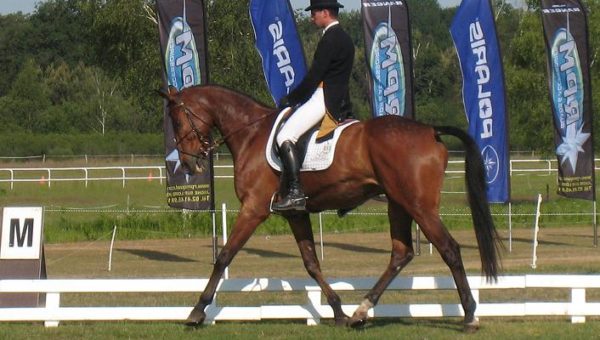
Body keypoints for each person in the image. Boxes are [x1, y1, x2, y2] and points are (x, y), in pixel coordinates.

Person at [272, 0, 355, 212]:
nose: (311, 17)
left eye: (314, 13)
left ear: (325, 12)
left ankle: (295, 192)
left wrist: (291, 99)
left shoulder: (330, 39)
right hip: (340, 97)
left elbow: (314, 77)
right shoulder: (345, 38)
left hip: (323, 96)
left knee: (285, 136)